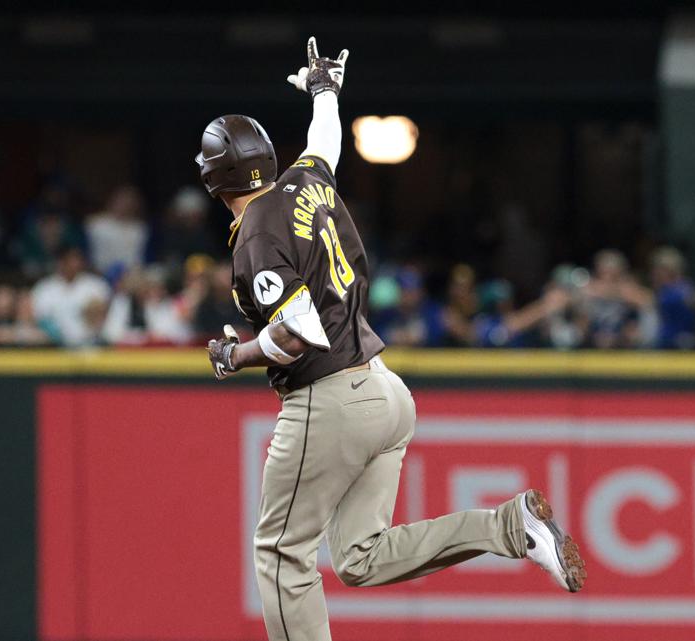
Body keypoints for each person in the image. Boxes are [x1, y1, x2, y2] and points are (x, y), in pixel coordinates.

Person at [199, 38, 586, 641]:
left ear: (213, 181)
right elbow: (324, 141)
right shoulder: (303, 184)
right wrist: (325, 90)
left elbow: (297, 335)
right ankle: (508, 529)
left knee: (280, 553)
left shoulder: (255, 236)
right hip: (385, 393)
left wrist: (234, 355)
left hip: (328, 399)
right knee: (358, 558)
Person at [31, 245, 110, 347]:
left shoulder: (96, 286)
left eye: (77, 259)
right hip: (53, 347)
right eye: (70, 260)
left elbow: (105, 319)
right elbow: (39, 320)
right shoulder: (44, 289)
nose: (75, 264)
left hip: (91, 346)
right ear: (60, 262)